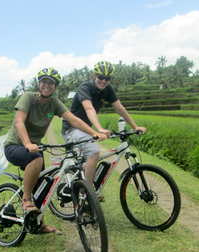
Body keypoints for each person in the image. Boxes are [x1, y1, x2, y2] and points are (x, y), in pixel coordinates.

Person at [4, 68, 107, 234]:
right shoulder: (28, 98)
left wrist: (94, 132)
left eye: (51, 83)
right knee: (36, 160)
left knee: (44, 187)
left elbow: (74, 120)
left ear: (55, 86)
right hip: (15, 146)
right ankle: (26, 199)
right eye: (44, 81)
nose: (47, 85)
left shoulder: (54, 103)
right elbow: (19, 122)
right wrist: (27, 143)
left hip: (35, 149)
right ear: (39, 83)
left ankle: (40, 224)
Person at [61, 61, 147, 198]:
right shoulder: (85, 87)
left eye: (107, 78)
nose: (104, 81)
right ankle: (88, 195)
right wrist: (99, 129)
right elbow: (89, 108)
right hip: (71, 128)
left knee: (89, 159)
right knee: (94, 152)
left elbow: (119, 108)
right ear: (94, 75)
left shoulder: (108, 89)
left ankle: (82, 183)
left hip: (86, 130)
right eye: (101, 77)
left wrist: (135, 127)